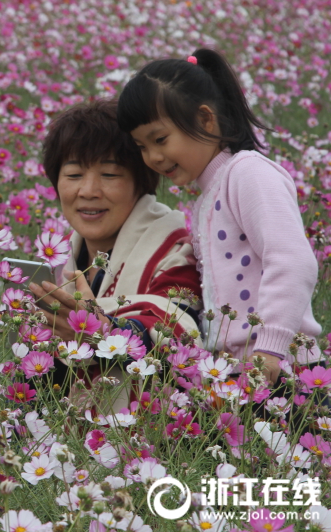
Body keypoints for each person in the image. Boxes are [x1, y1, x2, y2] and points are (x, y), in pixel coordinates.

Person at [117, 47, 325, 386]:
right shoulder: (208, 198)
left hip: (282, 372)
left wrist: (269, 350)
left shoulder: (248, 173)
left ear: (204, 119)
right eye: (142, 146)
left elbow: (292, 261)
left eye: (160, 139)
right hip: (238, 374)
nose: (153, 157)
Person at [29, 99, 201, 412]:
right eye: (73, 175)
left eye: (109, 175)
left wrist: (101, 331)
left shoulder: (177, 248)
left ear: (143, 181)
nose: (89, 191)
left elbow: (181, 329)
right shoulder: (68, 260)